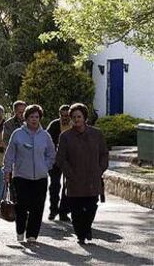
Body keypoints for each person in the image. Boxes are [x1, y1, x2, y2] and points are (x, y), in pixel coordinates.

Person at [56, 103, 108, 245]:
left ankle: (86, 228)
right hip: (74, 179)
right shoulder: (65, 136)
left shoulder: (96, 134)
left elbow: (104, 153)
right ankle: (81, 234)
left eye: (79, 116)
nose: (77, 119)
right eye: (74, 117)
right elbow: (60, 158)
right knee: (76, 210)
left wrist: (100, 169)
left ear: (85, 117)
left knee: (91, 206)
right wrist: (69, 173)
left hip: (92, 177)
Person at [4, 105, 56, 243]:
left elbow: (51, 154)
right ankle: (20, 231)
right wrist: (7, 171)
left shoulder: (45, 135)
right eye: (31, 117)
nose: (34, 119)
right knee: (21, 207)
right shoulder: (17, 134)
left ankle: (32, 235)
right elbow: (9, 155)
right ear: (26, 119)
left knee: (37, 207)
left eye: (37, 117)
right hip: (21, 176)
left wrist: (45, 166)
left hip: (40, 177)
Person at [47, 105, 72, 221]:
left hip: (70, 161)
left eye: (66, 115)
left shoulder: (74, 126)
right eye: (62, 115)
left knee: (68, 186)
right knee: (55, 185)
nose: (64, 118)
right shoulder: (54, 125)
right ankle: (53, 210)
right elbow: (47, 140)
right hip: (55, 161)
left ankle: (64, 212)